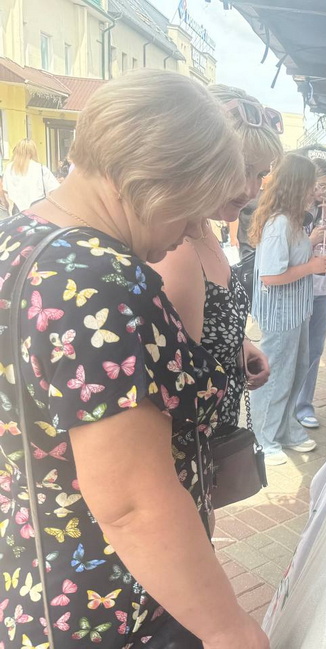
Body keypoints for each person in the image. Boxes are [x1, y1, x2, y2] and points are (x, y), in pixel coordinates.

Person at [0, 70, 269, 648]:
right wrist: (229, 629)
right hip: (114, 603)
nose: (187, 234)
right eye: (188, 210)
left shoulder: (19, 239)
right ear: (153, 181)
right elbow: (132, 502)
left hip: (40, 573)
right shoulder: (101, 279)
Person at [152, 85, 283, 439]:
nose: (251, 188)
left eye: (260, 175)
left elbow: (206, 331)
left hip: (214, 428)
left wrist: (239, 346)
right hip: (192, 440)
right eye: (242, 170)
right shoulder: (178, 250)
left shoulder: (204, 230)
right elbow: (179, 381)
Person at [249, 154, 326, 464]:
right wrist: (311, 266)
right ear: (298, 184)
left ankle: (285, 430)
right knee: (277, 375)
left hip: (296, 310)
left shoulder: (293, 218)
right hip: (281, 313)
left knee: (296, 371)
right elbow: (271, 276)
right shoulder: (280, 223)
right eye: (311, 184)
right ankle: (264, 437)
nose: (315, 189)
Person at [295, 158, 326, 431]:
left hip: (323, 291)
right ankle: (285, 407)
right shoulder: (294, 210)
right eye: (318, 185)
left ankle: (304, 405)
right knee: (292, 351)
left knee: (314, 351)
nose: (321, 192)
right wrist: (310, 238)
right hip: (296, 288)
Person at [4, 138, 60, 213]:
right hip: (38, 211)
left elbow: (5, 191)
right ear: (33, 152)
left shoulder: (9, 168)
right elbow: (55, 190)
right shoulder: (41, 169)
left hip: (16, 212)